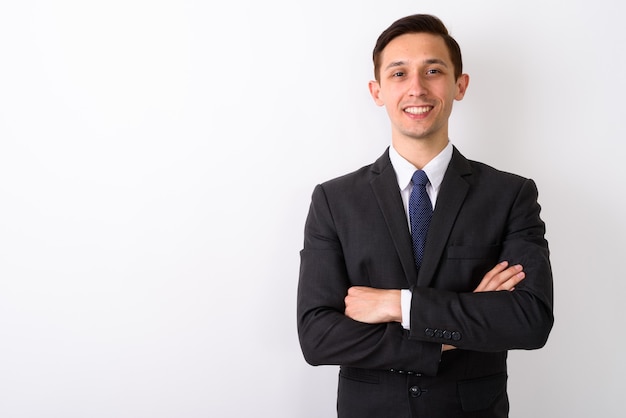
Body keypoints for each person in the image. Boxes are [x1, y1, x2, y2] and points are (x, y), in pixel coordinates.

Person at [296, 13, 554, 418]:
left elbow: (529, 319)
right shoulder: (334, 199)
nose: (416, 88)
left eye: (433, 70)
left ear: (459, 85)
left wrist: (399, 305)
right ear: (377, 90)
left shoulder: (510, 195)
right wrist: (459, 324)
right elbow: (317, 337)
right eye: (399, 73)